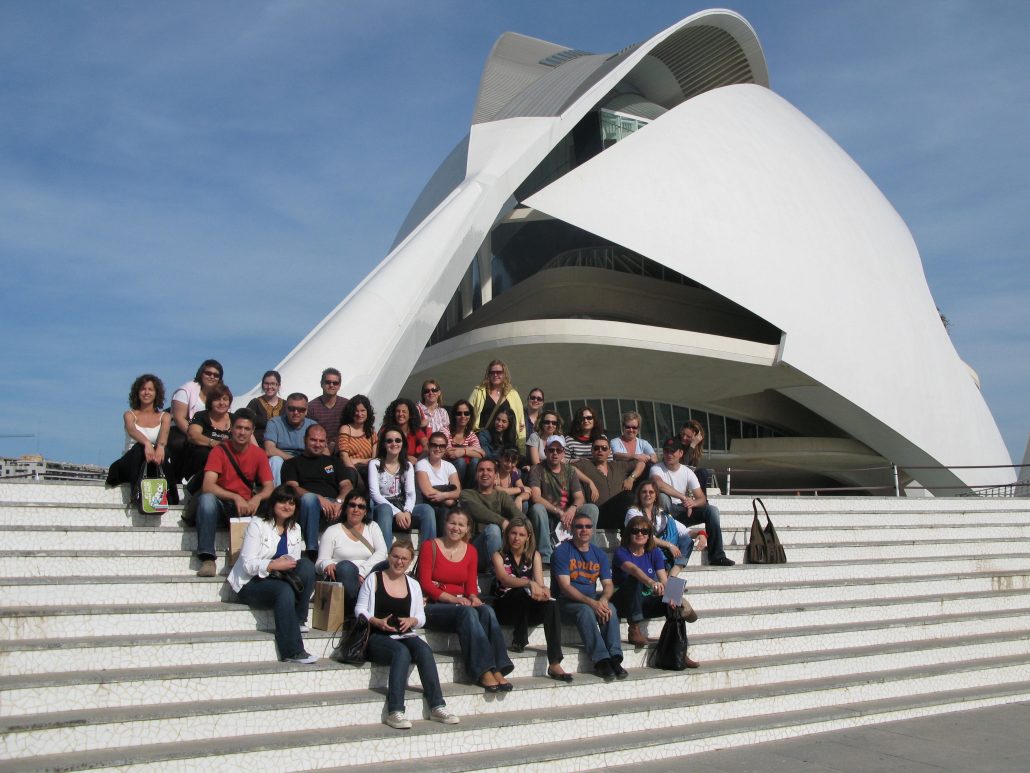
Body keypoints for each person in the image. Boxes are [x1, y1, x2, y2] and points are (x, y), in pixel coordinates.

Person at [357, 540, 460, 729]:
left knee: (424, 650)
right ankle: (395, 710)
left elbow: (421, 617)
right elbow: (360, 610)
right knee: (401, 653)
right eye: (395, 556)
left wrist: (412, 621)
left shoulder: (413, 584)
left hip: (404, 634)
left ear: (410, 561)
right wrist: (376, 621)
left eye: (404, 558)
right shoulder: (374, 579)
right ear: (389, 556)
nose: (399, 562)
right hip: (377, 635)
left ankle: (437, 705)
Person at [418, 508, 514, 692]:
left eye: (461, 525)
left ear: (468, 528)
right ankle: (483, 670)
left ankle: (498, 667)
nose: (456, 528)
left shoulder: (470, 551)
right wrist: (453, 599)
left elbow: (470, 585)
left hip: (460, 606)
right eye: (452, 523)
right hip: (433, 605)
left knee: (486, 610)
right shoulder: (430, 546)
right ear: (445, 524)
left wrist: (473, 597)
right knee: (467, 611)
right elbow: (425, 583)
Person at [227, 485, 317, 663]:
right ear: (273, 503)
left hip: (279, 577)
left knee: (306, 565)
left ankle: (298, 620)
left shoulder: (295, 528)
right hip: (250, 582)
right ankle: (292, 651)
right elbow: (247, 564)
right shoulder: (258, 524)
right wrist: (272, 565)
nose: (287, 506)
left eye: (291, 503)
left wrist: (284, 565)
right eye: (282, 501)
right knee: (283, 591)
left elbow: (294, 560)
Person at [193, 409, 274, 578]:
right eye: (238, 428)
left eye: (246, 429)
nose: (242, 432)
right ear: (231, 429)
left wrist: (257, 498)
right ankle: (207, 558)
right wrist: (235, 497)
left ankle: (267, 556)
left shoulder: (258, 454)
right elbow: (208, 485)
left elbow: (269, 487)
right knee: (207, 500)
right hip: (223, 502)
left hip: (247, 505)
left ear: (252, 432)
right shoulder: (219, 450)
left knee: (274, 503)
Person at [490, 517, 571, 681]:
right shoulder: (498, 555)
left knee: (551, 604)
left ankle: (554, 662)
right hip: (505, 607)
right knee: (520, 591)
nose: (516, 538)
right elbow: (504, 579)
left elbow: (540, 583)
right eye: (513, 533)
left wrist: (545, 591)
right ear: (507, 535)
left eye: (521, 534)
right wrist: (528, 582)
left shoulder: (534, 555)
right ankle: (519, 639)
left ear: (528, 537)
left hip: (526, 608)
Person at [611, 515, 696, 665]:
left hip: (643, 600)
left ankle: (679, 651)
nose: (640, 534)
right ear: (628, 533)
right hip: (623, 602)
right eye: (635, 531)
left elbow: (663, 578)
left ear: (650, 535)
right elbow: (633, 569)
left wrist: (671, 595)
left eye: (644, 531)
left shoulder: (654, 552)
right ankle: (634, 628)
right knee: (635, 579)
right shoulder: (621, 552)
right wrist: (651, 583)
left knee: (673, 604)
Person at [552, 512, 625, 681]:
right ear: (571, 528)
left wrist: (604, 600)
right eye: (579, 526)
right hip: (564, 603)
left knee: (610, 608)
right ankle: (601, 660)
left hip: (591, 600)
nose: (584, 530)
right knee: (585, 610)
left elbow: (608, 584)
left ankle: (615, 658)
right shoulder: (562, 552)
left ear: (592, 530)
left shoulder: (598, 554)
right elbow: (565, 587)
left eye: (588, 526)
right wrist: (592, 603)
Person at [650, 438, 734, 566]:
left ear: (680, 453)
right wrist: (683, 497)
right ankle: (667, 540)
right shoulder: (656, 468)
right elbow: (658, 484)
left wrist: (692, 503)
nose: (669, 455)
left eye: (673, 452)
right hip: (665, 514)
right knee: (663, 497)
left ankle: (717, 556)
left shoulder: (687, 472)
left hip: (683, 511)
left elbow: (702, 498)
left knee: (712, 510)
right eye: (666, 451)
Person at [281, 424, 358, 558]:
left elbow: (347, 485)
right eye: (313, 440)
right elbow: (292, 487)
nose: (317, 444)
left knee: (362, 505)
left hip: (334, 505)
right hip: (306, 507)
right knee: (309, 499)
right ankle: (312, 550)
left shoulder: (334, 461)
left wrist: (339, 501)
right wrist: (318, 498)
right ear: (305, 440)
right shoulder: (291, 463)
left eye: (321, 441)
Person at [105, 374, 178, 506]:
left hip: (153, 462)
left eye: (150, 389)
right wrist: (146, 443)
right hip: (131, 462)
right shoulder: (129, 414)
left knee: (164, 451)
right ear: (137, 392)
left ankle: (170, 497)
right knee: (139, 448)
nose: (146, 392)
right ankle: (136, 494)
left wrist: (160, 446)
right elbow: (131, 429)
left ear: (156, 393)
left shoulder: (165, 416)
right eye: (143, 389)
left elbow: (164, 435)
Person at [527, 436, 599, 565]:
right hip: (548, 514)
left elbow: (579, 497)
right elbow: (536, 497)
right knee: (537, 508)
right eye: (551, 450)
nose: (555, 453)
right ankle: (546, 556)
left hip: (568, 513)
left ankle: (587, 550)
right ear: (545, 451)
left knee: (591, 509)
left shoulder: (570, 470)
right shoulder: (537, 469)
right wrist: (558, 512)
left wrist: (573, 508)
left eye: (558, 450)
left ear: (563, 452)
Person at [316, 490, 387, 620]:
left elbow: (382, 552)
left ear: (366, 511)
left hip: (367, 575)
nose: (356, 509)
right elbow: (319, 563)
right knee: (346, 567)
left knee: (388, 563)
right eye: (352, 505)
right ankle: (356, 614)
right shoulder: (332, 531)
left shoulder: (372, 527)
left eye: (361, 506)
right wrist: (327, 564)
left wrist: (361, 572)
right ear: (346, 508)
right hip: (345, 576)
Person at [368, 426, 436, 548]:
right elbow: (375, 494)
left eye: (398, 440)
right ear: (383, 444)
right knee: (385, 509)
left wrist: (407, 511)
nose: (394, 443)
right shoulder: (375, 464)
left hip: (401, 504)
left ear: (402, 443)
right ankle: (384, 557)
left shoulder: (407, 465)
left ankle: (429, 554)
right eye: (389, 441)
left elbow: (410, 493)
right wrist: (397, 512)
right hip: (382, 506)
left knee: (427, 510)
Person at [626, 480, 704, 576]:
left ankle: (672, 576)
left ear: (655, 496)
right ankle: (665, 580)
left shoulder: (662, 513)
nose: (647, 494)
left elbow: (683, 531)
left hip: (663, 550)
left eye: (651, 492)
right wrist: (669, 545)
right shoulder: (633, 512)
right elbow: (644, 537)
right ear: (639, 495)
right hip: (645, 549)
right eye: (644, 492)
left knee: (686, 540)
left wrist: (701, 533)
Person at [459, 458, 521, 571]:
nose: (485, 473)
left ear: (496, 475)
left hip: (502, 548)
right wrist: (502, 521)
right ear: (476, 474)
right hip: (475, 550)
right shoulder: (466, 494)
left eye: (489, 470)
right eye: (481, 470)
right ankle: (496, 575)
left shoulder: (501, 496)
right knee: (493, 529)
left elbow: (519, 516)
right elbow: (477, 510)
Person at [573, 436, 645, 528]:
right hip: (600, 514)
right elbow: (569, 468)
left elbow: (641, 463)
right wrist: (589, 481)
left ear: (609, 451)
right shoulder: (586, 464)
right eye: (596, 448)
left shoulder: (618, 466)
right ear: (592, 451)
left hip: (620, 511)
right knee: (628, 496)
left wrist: (631, 478)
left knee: (630, 497)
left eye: (604, 448)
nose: (600, 450)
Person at [169, 359, 223, 477]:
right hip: (182, 429)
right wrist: (195, 435)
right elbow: (178, 418)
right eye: (208, 373)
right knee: (180, 443)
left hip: (208, 432)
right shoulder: (186, 390)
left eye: (216, 375)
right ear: (201, 373)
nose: (212, 377)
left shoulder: (221, 395)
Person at [183, 383, 235, 487]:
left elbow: (251, 442)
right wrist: (215, 443)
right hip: (202, 466)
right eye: (217, 399)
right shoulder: (201, 416)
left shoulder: (236, 419)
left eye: (225, 399)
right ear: (210, 401)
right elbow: (193, 435)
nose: (221, 403)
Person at [468, 360, 526, 453]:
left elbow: (520, 421)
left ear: (504, 374)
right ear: (488, 374)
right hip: (483, 438)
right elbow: (468, 413)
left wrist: (522, 449)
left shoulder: (513, 394)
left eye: (499, 372)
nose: (495, 375)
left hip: (505, 439)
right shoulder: (478, 391)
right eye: (492, 372)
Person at [264, 393, 317, 485]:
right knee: (275, 460)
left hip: (306, 461)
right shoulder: (274, 422)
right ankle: (276, 495)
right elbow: (269, 450)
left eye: (301, 409)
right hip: (283, 461)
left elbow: (324, 451)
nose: (296, 412)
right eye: (292, 409)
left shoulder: (313, 425)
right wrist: (295, 460)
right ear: (285, 409)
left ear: (306, 411)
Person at [415, 431, 462, 534]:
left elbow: (458, 491)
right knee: (446, 511)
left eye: (441, 446)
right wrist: (449, 499)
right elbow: (428, 492)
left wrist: (444, 495)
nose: (437, 449)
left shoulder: (449, 466)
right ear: (428, 446)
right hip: (427, 504)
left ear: (445, 448)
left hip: (443, 503)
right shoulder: (421, 464)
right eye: (434, 445)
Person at [306, 368, 349, 453]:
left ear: (339, 385)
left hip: (343, 447)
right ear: (321, 384)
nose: (331, 385)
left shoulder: (347, 405)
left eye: (335, 383)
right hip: (319, 448)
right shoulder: (311, 407)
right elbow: (309, 433)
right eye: (328, 382)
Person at [443, 399, 484, 484]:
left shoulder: (471, 435)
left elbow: (480, 455)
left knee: (475, 461)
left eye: (466, 413)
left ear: (470, 416)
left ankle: (468, 490)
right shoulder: (446, 431)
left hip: (467, 473)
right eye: (459, 413)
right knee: (460, 462)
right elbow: (449, 453)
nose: (463, 416)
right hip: (447, 468)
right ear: (454, 415)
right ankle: (455, 488)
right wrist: (472, 449)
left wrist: (463, 451)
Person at [337, 394, 377, 478]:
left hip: (368, 471)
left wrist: (357, 460)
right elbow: (343, 456)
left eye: (363, 410)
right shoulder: (345, 429)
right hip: (349, 470)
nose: (359, 414)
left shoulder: (372, 432)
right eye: (356, 411)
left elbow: (374, 459)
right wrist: (356, 475)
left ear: (368, 412)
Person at [245, 370, 284, 447]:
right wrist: (257, 451)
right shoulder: (255, 403)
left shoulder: (286, 405)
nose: (269, 387)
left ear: (278, 386)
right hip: (258, 446)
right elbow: (246, 427)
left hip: (281, 448)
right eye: (266, 383)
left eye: (273, 384)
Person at [681, 419, 715, 492]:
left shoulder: (695, 449)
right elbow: (683, 465)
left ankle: (702, 499)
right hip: (675, 475)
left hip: (686, 477)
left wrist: (692, 446)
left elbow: (691, 468)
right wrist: (692, 445)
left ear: (696, 437)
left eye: (688, 436)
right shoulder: (676, 443)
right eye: (683, 434)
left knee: (703, 472)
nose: (684, 438)